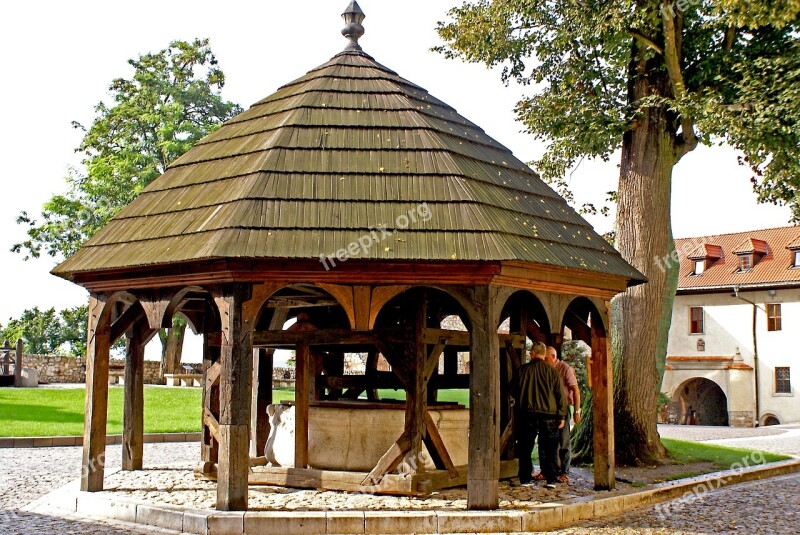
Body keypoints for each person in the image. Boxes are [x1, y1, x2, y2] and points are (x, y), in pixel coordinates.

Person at [511, 341, 568, 489]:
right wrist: (561, 415)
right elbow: (561, 396)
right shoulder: (553, 372)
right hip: (549, 415)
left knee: (525, 447)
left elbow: (512, 390)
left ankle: (525, 479)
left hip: (527, 414)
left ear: (532, 353)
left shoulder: (522, 371)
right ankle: (551, 479)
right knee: (550, 448)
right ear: (544, 354)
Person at [544, 345, 581, 483]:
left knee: (564, 441)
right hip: (548, 409)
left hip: (563, 409)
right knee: (547, 441)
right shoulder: (546, 369)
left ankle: (564, 471)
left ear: (553, 357)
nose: (544, 360)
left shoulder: (565, 369)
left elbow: (575, 391)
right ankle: (547, 470)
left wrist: (577, 411)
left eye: (546, 358)